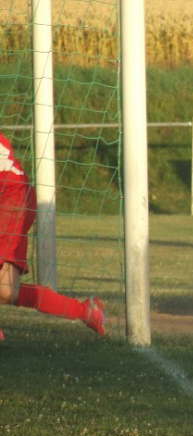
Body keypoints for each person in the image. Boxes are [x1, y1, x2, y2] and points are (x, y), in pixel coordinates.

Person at [0, 132, 105, 340]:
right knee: (6, 291)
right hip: (14, 198)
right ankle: (85, 311)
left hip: (11, 199)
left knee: (6, 291)